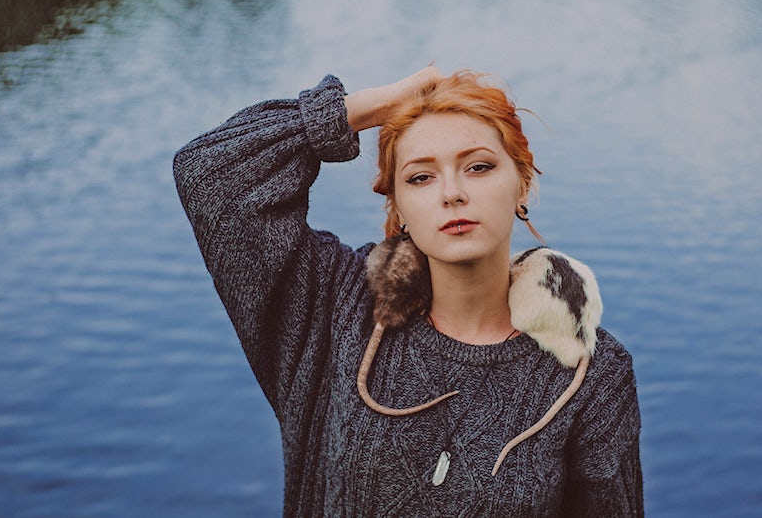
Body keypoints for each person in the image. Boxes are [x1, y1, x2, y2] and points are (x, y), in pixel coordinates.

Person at [173, 64, 643, 517]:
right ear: (397, 205)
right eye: (421, 176)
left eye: (478, 167)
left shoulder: (590, 372)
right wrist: (366, 109)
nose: (452, 193)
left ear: (522, 184)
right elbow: (210, 174)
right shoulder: (337, 305)